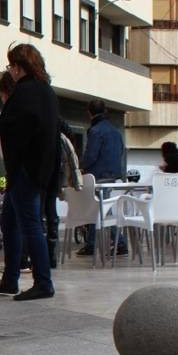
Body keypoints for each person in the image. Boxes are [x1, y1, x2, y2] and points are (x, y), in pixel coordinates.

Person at [0, 44, 60, 301]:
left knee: (29, 226)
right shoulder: (45, 91)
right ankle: (10, 279)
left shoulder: (25, 92)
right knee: (10, 222)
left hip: (25, 169)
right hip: (38, 169)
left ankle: (43, 282)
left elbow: (15, 125)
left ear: (18, 66)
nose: (10, 72)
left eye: (11, 67)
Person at [77, 99, 127, 257]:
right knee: (101, 207)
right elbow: (120, 151)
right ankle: (97, 243)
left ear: (89, 113)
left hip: (97, 176)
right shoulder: (116, 131)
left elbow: (91, 155)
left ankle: (115, 242)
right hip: (112, 175)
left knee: (98, 208)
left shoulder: (95, 131)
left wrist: (80, 167)